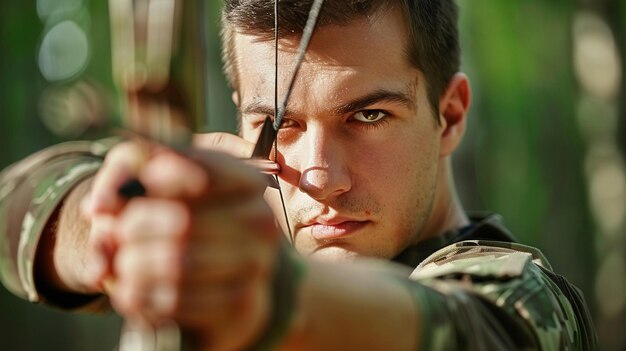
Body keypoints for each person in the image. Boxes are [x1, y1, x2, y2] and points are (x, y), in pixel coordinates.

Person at [0, 0, 596, 350]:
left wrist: (267, 296)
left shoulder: (521, 295)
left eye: (368, 115)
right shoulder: (229, 237)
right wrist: (108, 225)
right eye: (278, 123)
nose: (319, 176)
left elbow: (473, 328)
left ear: (449, 116)